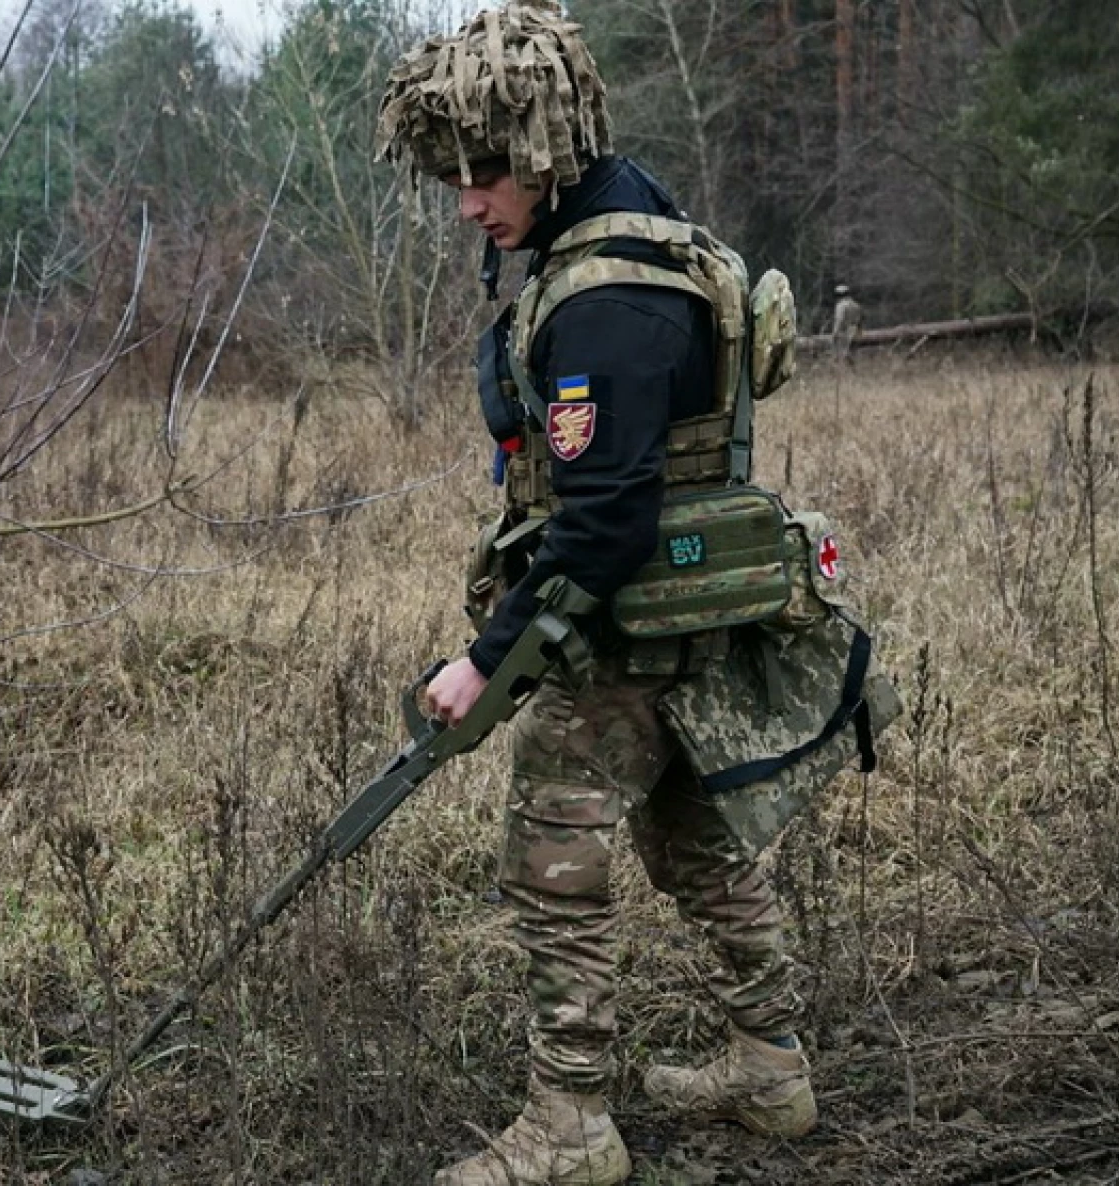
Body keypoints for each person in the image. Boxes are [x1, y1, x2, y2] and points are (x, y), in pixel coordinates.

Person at [375, 3, 896, 1183]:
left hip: (624, 620)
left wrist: (484, 656)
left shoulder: (606, 297)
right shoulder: (645, 223)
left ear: (548, 143)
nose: (469, 200)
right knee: (693, 831)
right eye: (454, 173)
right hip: (684, 612)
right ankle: (771, 1069)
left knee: (552, 852)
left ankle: (570, 1126)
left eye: (487, 171)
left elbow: (603, 517)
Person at [831, 284, 863, 361]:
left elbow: (839, 320)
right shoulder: (856, 305)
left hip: (844, 332)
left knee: (842, 356)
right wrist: (859, 333)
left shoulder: (841, 305)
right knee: (853, 355)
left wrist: (835, 333)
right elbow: (860, 321)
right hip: (855, 331)